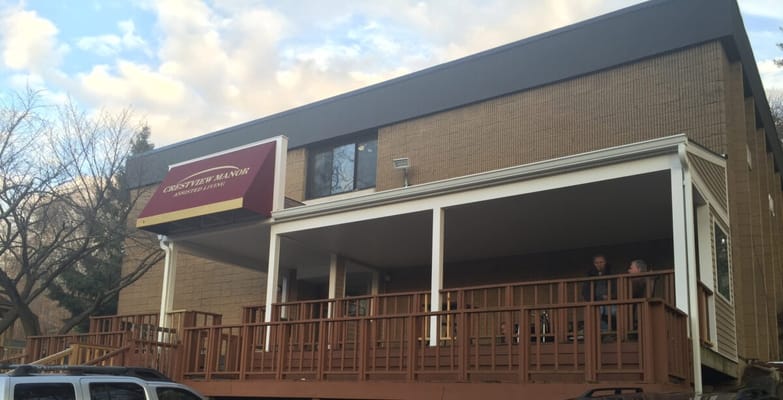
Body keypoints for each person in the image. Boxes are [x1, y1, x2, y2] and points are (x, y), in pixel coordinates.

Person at [582, 254, 616, 334]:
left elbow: (616, 289)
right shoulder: (589, 276)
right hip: (595, 302)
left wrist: (610, 296)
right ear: (594, 264)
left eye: (601, 262)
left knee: (613, 314)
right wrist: (591, 299)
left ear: (605, 263)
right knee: (595, 317)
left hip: (610, 302)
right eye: (596, 263)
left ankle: (610, 333)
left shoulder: (611, 275)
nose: (599, 264)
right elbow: (585, 291)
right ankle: (600, 333)